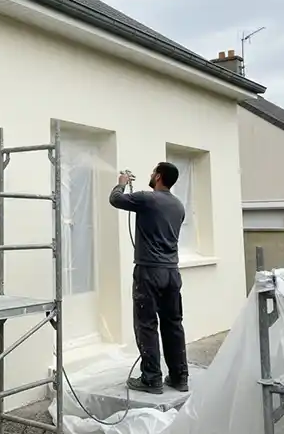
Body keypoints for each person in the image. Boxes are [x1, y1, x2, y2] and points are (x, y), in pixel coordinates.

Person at [109, 162, 189, 395]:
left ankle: (151, 379)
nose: (151, 174)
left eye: (153, 171)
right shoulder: (178, 205)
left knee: (146, 324)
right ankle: (179, 377)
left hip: (149, 272)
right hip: (172, 273)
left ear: (159, 176)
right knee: (173, 325)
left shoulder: (148, 199)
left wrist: (121, 184)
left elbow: (115, 199)